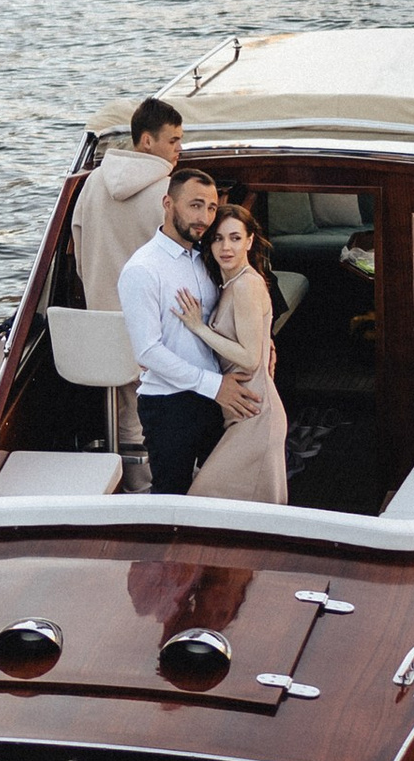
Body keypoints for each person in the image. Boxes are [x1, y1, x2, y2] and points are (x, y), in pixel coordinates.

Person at [71, 96, 183, 489]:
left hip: (100, 330)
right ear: (148, 141)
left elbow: (79, 254)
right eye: (174, 142)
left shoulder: (91, 183)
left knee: (126, 413)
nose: (179, 151)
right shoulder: (170, 195)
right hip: (153, 334)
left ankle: (128, 482)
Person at [116, 163, 225, 496]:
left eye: (211, 208)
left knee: (220, 489)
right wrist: (216, 386)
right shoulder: (142, 269)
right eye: (195, 205)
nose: (204, 217)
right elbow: (147, 351)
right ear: (168, 204)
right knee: (171, 495)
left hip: (211, 398)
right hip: (169, 405)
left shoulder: (206, 259)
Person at [184, 202, 289, 503]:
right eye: (217, 238)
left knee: (204, 499)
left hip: (256, 416)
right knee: (246, 516)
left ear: (250, 241)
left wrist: (198, 327)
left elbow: (249, 357)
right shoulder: (232, 283)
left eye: (235, 237)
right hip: (244, 413)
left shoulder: (245, 285)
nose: (225, 247)